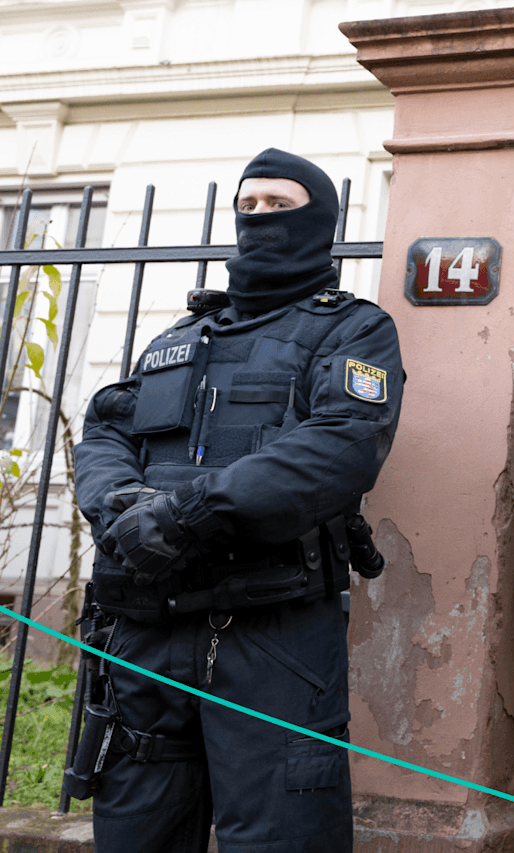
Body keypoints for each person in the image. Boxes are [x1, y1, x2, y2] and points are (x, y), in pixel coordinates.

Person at [72, 148, 403, 853]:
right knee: (135, 833)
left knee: (282, 835)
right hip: (147, 625)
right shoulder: (178, 338)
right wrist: (120, 506)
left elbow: (341, 445)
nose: (259, 217)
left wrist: (185, 515)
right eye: (247, 206)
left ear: (319, 220)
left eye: (279, 205)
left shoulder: (352, 329)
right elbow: (105, 430)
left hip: (271, 632)